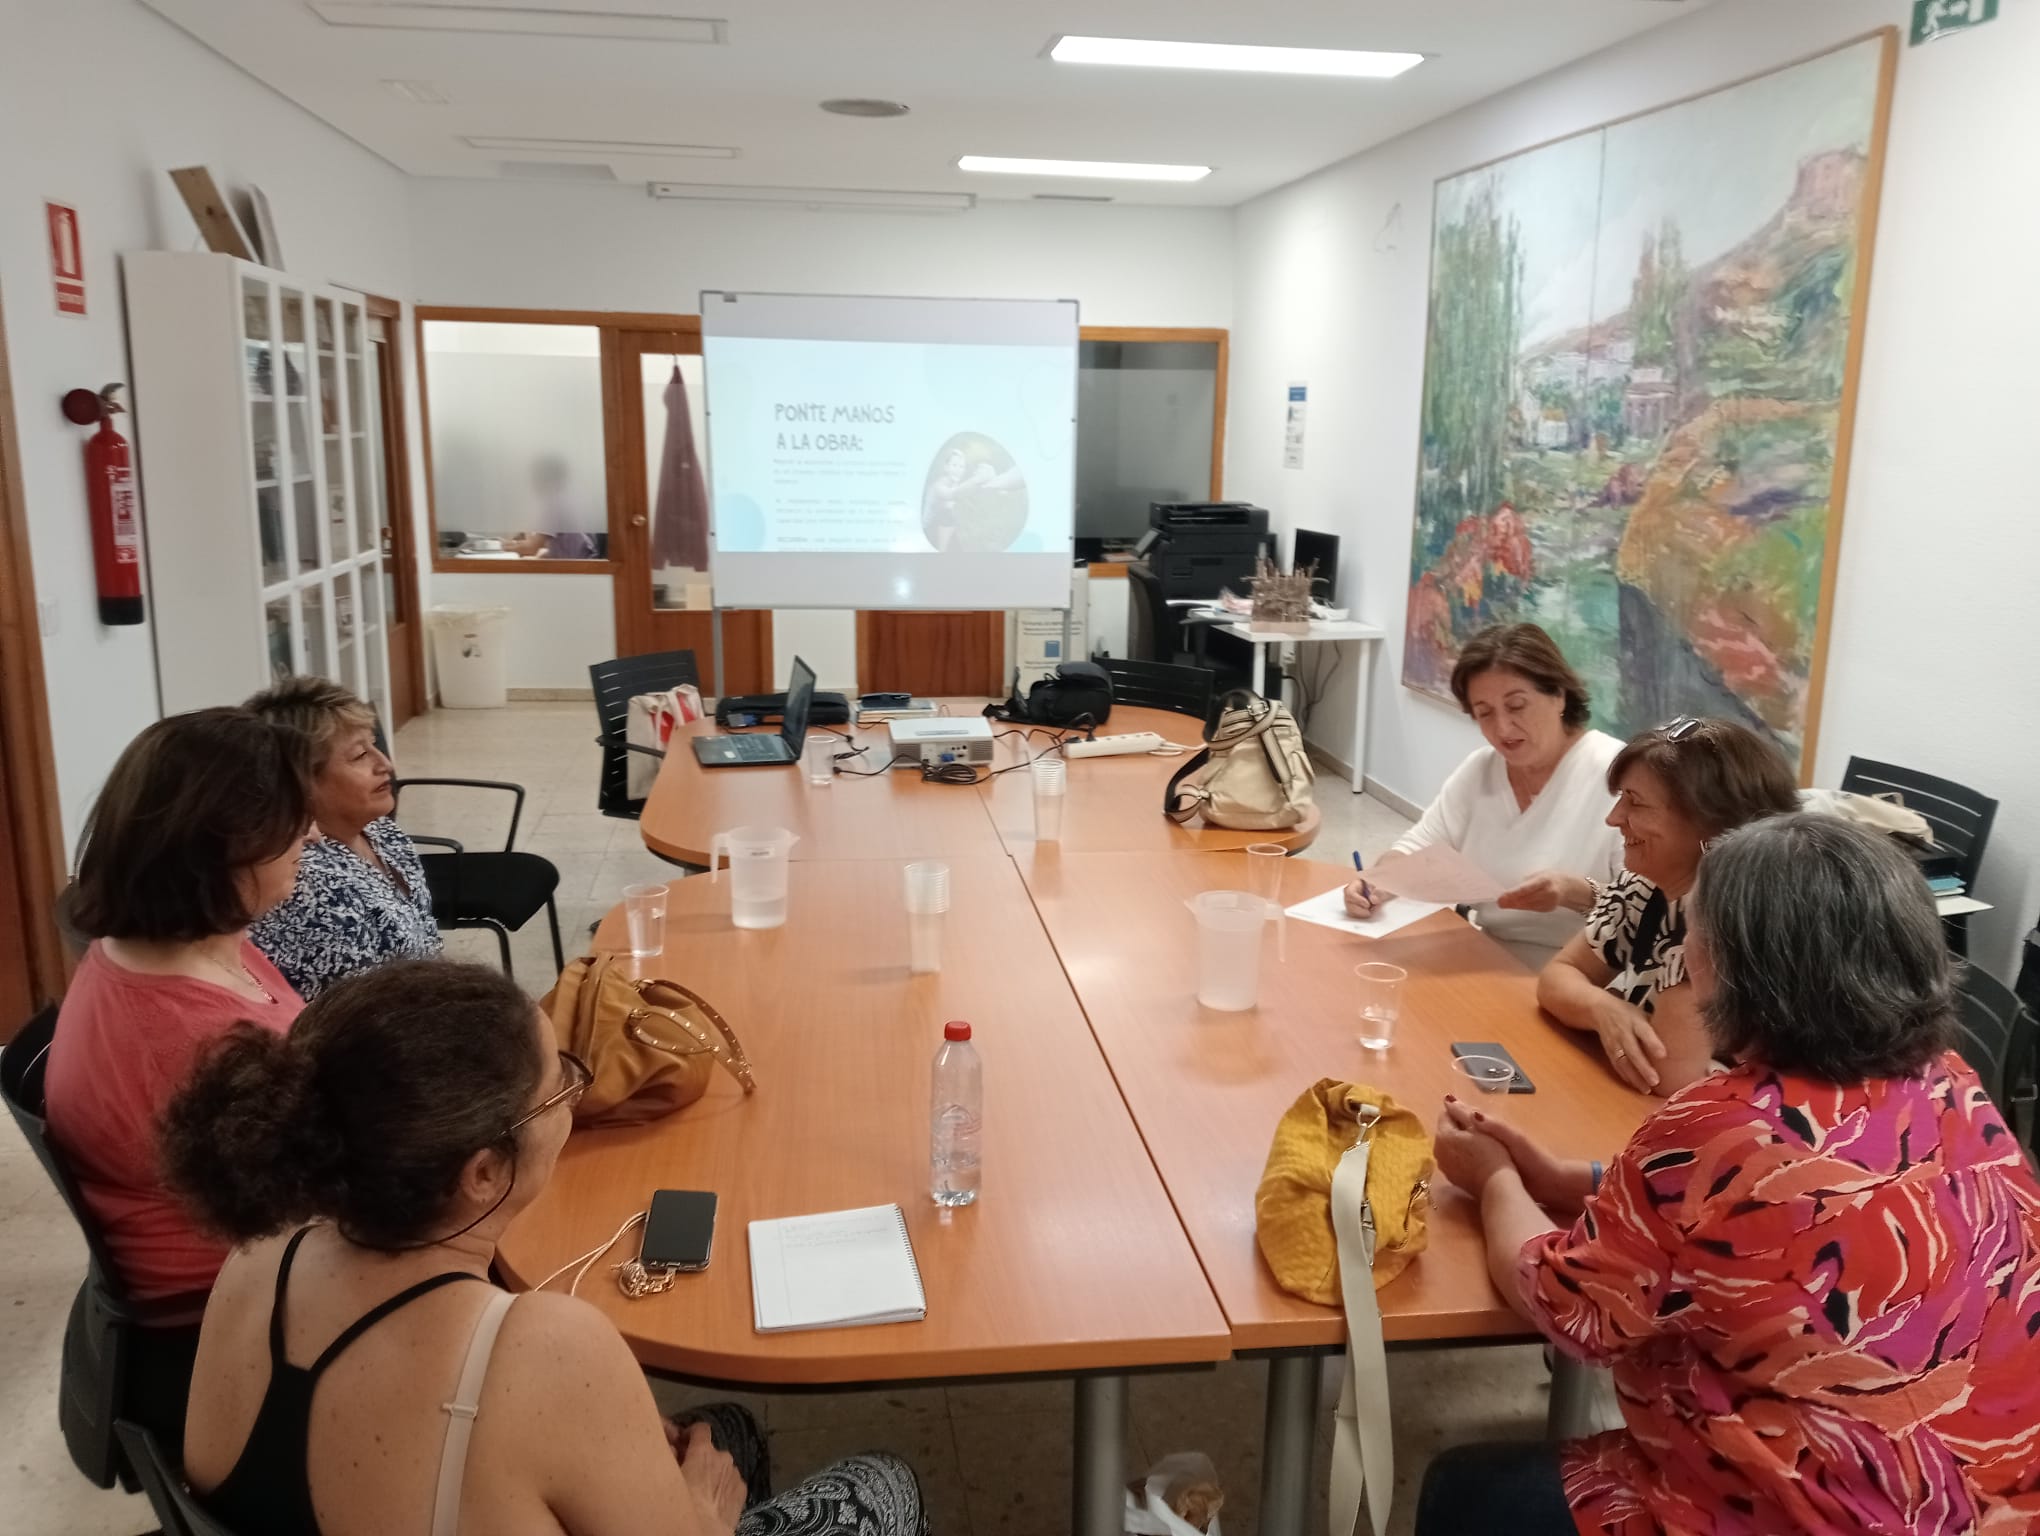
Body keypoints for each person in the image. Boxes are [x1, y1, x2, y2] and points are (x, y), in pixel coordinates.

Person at [1418, 813, 2040, 1536]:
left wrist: (1493, 1178)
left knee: (1462, 1489)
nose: (1685, 950)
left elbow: (1569, 1310)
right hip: (1992, 1504)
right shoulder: (1949, 1080)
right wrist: (1565, 1178)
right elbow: (1762, 1211)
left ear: (1743, 967)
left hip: (1809, 1514)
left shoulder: (1722, 1125)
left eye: (1696, 932)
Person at [163, 959, 928, 1536]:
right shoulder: (541, 1348)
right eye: (560, 1083)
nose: (575, 1091)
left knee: (726, 1428)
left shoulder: (259, 1258)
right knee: (884, 1482)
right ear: (483, 1173)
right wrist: (702, 1510)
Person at [44, 707, 311, 1446]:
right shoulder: (198, 1037)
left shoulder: (154, 947)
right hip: (232, 1315)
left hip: (238, 1262)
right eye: (292, 824)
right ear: (224, 847)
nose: (312, 837)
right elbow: (318, 1207)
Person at [1538, 715, 1798, 1095]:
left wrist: (1598, 1004)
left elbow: (1664, 1073)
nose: (1613, 818)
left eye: (1635, 802)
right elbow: (1558, 976)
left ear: (1708, 824)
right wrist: (1602, 1008)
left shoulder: (1728, 923)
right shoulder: (1646, 885)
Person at [1344, 623, 1624, 967]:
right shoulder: (1481, 771)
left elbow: (1655, 912)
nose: (1502, 728)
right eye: (1485, 713)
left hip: (1583, 975)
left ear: (1559, 696)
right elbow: (1416, 847)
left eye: (1517, 706)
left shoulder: (1617, 775)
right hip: (1488, 959)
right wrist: (1378, 884)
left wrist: (1575, 892)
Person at [246, 676, 442, 999]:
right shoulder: (306, 882)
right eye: (360, 756)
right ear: (301, 781)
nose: (386, 764)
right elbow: (365, 1011)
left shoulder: (381, 831)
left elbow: (428, 950)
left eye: (374, 746)